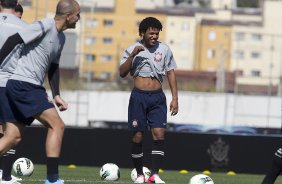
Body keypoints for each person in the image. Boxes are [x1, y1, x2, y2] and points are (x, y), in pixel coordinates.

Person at [0, 0, 80, 183]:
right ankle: (52, 179)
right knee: (57, 125)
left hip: (27, 86)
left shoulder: (61, 38)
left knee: (13, 136)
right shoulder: (44, 25)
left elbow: (53, 67)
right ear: (68, 16)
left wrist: (57, 94)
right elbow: (15, 39)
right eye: (78, 14)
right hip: (24, 84)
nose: (79, 18)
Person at [119, 17, 179, 184]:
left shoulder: (165, 50)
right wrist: (132, 56)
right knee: (138, 136)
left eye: (156, 33)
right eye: (151, 33)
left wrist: (175, 98)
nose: (154, 36)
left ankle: (154, 175)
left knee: (159, 135)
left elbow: (171, 73)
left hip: (158, 98)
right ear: (142, 33)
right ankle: (139, 175)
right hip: (139, 97)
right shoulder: (132, 48)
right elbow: (122, 72)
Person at [0, 0, 28, 183]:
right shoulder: (25, 27)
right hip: (9, 83)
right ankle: (5, 175)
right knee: (12, 132)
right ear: (16, 3)